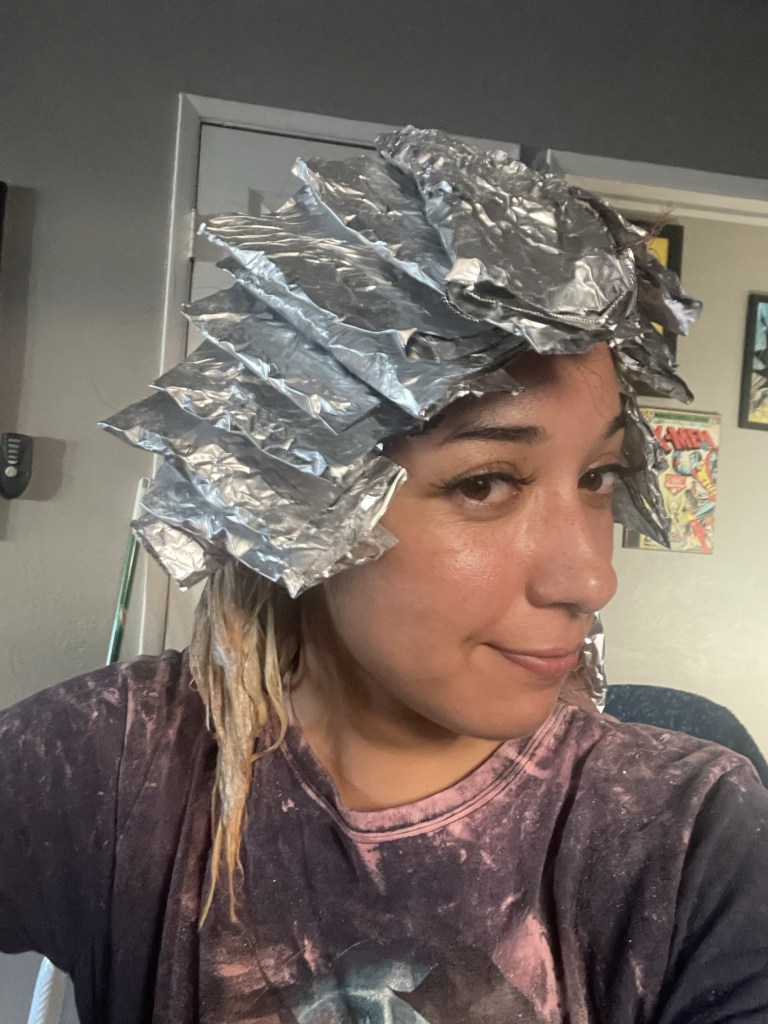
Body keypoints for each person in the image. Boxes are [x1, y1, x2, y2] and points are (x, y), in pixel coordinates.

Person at [1, 128, 766, 1024]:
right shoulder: (115, 765)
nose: (591, 580)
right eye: (485, 483)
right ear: (302, 499)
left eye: (599, 477)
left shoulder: (685, 831)